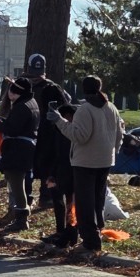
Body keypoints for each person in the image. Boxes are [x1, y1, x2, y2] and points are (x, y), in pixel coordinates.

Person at [48, 75, 124, 255]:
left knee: (84, 204)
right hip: (105, 160)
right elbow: (119, 134)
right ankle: (97, 233)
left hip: (85, 162)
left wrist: (59, 120)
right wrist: (113, 151)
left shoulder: (85, 110)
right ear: (100, 87)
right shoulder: (111, 107)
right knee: (98, 201)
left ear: (84, 88)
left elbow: (79, 136)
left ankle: (90, 242)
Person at [25, 53, 70, 210]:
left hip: (47, 133)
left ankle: (46, 196)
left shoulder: (51, 87)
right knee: (29, 166)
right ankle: (27, 198)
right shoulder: (25, 86)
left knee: (47, 166)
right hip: (31, 131)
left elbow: (66, 106)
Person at [0, 76, 39, 231]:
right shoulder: (31, 104)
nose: (9, 92)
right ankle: (20, 215)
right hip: (25, 149)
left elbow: (13, 129)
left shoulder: (21, 107)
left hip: (18, 150)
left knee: (17, 185)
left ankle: (21, 218)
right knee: (18, 184)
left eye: (11, 89)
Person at [41, 104, 79, 248]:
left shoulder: (71, 132)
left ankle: (71, 233)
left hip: (71, 172)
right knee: (63, 202)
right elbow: (56, 154)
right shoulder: (58, 131)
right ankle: (64, 231)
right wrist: (52, 173)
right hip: (60, 171)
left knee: (72, 204)